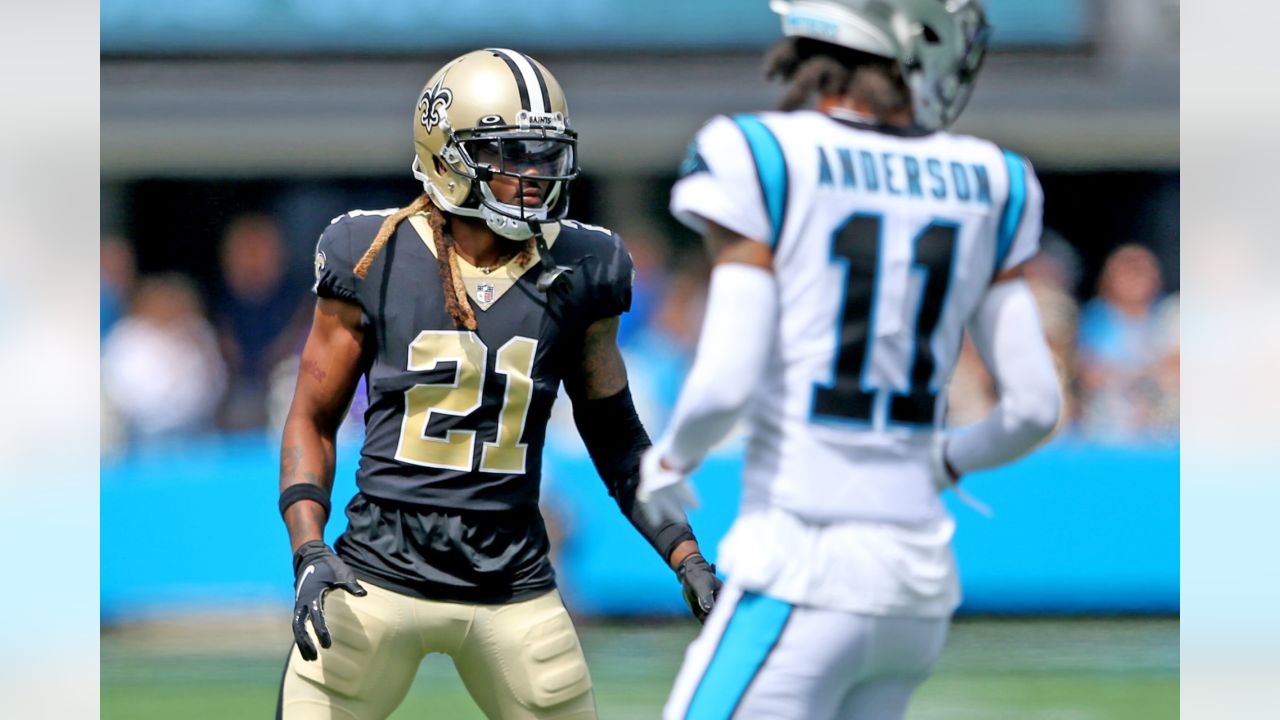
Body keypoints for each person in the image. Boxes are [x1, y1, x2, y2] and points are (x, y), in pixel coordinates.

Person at [637, 2, 1063, 718]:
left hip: (803, 560)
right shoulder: (996, 178)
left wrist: (672, 459)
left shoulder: (760, 152)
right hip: (919, 580)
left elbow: (726, 379)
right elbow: (1035, 409)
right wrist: (945, 462)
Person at [275, 49, 720, 720]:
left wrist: (686, 557)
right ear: (447, 154)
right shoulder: (371, 255)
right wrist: (308, 549)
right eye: (512, 153)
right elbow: (311, 417)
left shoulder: (584, 266)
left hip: (512, 585)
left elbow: (617, 439)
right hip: (377, 577)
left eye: (546, 154)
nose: (536, 175)